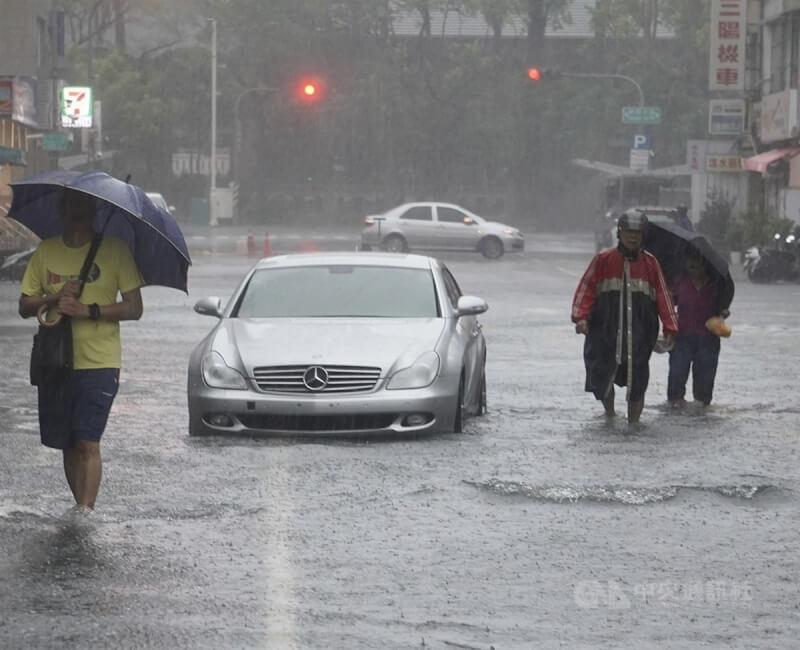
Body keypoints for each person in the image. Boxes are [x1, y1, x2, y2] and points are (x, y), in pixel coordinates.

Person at [19, 188, 144, 512]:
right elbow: (24, 304)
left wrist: (88, 311)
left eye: (83, 205)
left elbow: (134, 308)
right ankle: (80, 504)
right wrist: (53, 297)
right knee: (68, 443)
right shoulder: (46, 251)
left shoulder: (115, 251)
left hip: (99, 362)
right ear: (61, 210)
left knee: (88, 441)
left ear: (93, 212)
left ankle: (85, 511)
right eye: (71, 205)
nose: (77, 212)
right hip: (56, 360)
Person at [571, 211, 679, 423]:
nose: (633, 237)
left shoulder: (651, 264)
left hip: (640, 333)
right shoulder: (603, 259)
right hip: (604, 330)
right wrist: (580, 317)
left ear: (643, 236)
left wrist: (670, 328)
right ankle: (610, 414)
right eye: (629, 232)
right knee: (602, 371)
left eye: (637, 233)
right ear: (620, 233)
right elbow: (587, 289)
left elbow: (663, 297)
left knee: (638, 376)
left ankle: (634, 422)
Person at [667, 247, 733, 408]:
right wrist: (668, 329)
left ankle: (701, 410)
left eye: (697, 263)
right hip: (682, 337)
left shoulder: (717, 284)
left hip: (708, 339)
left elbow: (722, 308)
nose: (693, 267)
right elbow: (668, 305)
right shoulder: (679, 281)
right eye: (690, 263)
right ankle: (675, 406)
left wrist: (722, 314)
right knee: (677, 375)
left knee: (704, 383)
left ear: (706, 265)